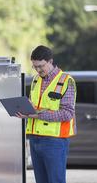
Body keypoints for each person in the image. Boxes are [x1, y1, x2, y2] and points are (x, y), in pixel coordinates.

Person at [17, 45, 77, 183]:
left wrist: (37, 115)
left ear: (50, 61)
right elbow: (36, 105)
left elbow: (67, 113)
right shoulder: (36, 80)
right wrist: (27, 109)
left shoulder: (66, 81)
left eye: (41, 66)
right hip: (34, 139)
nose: (38, 70)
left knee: (55, 180)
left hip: (55, 140)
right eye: (34, 66)